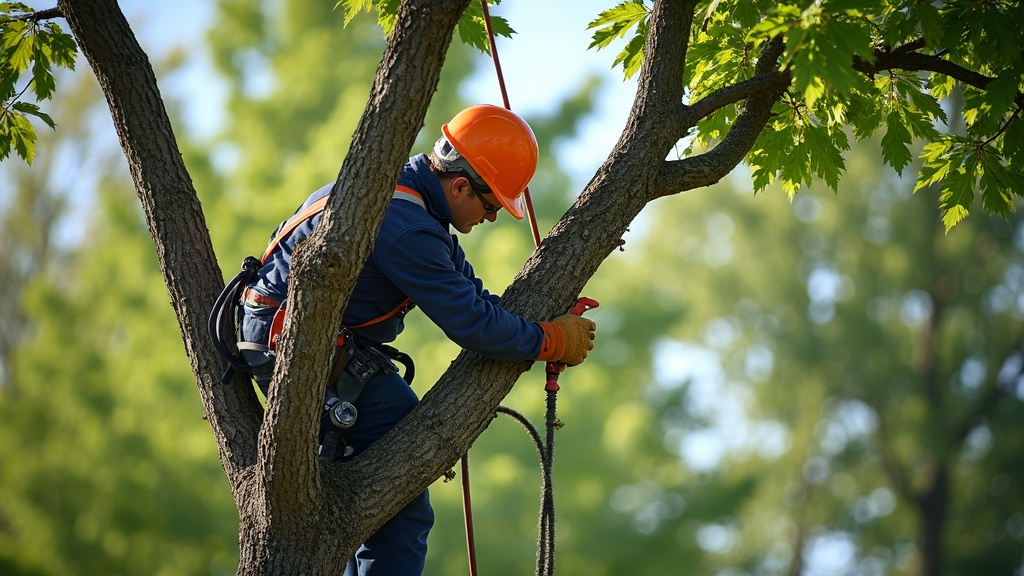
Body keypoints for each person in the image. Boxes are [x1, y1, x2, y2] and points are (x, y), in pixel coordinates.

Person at [237, 104, 597, 575]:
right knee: (400, 496)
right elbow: (471, 323)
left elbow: (478, 299)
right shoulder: (406, 228)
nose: (490, 218)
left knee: (348, 505)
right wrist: (548, 341)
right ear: (461, 185)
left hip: (295, 340)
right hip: (293, 348)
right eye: (490, 206)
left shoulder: (408, 204)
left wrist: (546, 323)